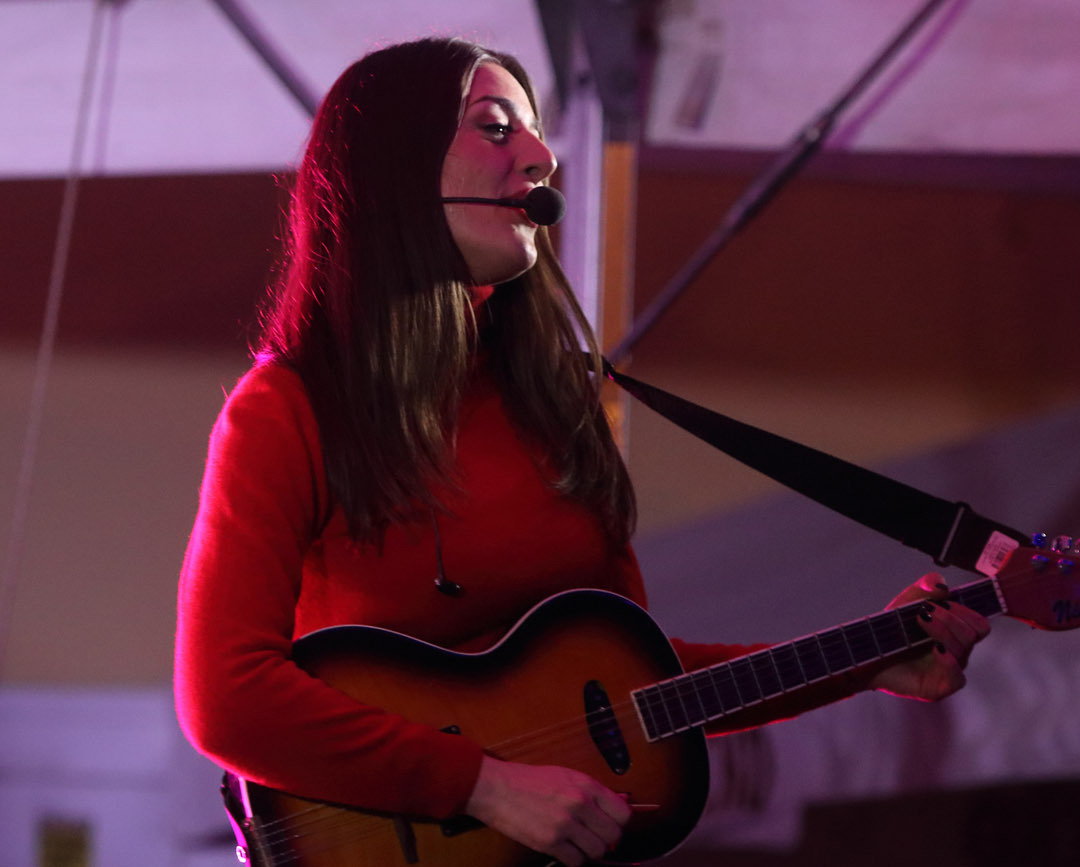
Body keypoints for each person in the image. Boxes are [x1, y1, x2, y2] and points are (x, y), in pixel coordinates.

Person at [173, 37, 990, 867]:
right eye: (497, 128)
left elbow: (632, 689)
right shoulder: (288, 409)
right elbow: (225, 699)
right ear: (396, 168)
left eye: (535, 130)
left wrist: (863, 662)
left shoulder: (558, 400)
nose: (542, 155)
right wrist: (480, 785)